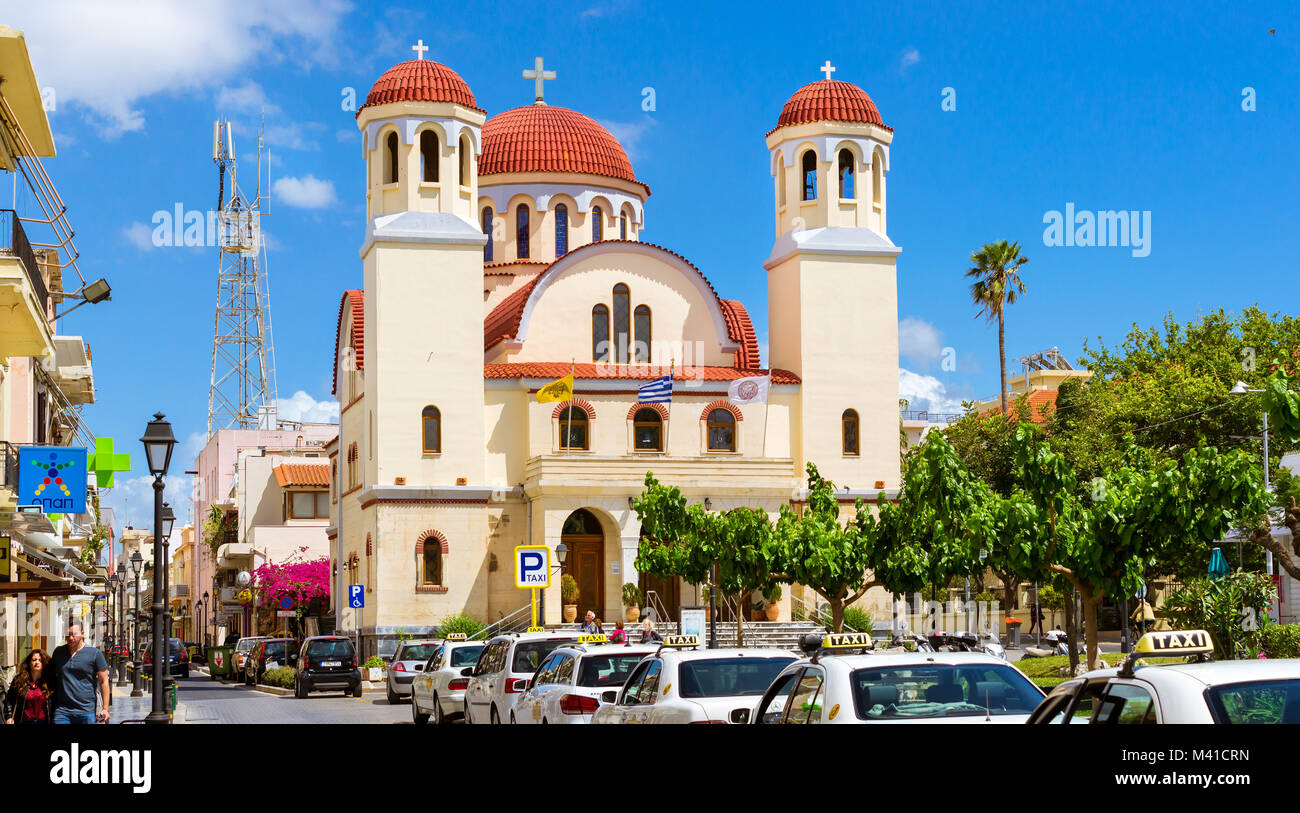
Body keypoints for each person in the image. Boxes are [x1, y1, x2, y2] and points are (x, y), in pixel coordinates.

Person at [50, 624, 110, 725]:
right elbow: (51, 676)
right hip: (62, 711)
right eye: (68, 635)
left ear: (82, 633)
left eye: (74, 634)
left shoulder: (94, 653)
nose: (70, 638)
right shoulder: (58, 652)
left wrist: (105, 709)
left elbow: (104, 681)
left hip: (86, 711)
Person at [5, 649, 54, 725]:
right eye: (34, 660)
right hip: (23, 721)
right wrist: (9, 717)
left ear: (44, 663)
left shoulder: (49, 682)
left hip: (44, 722)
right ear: (29, 662)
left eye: (40, 660)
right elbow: (9, 699)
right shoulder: (19, 680)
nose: (37, 662)